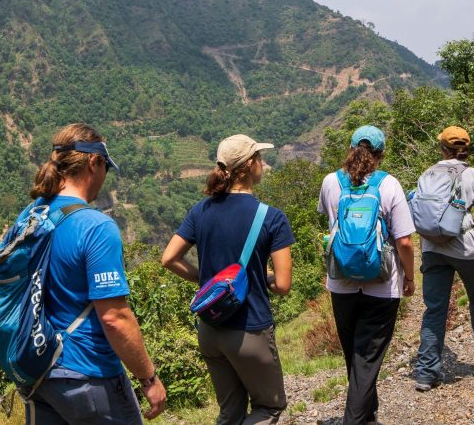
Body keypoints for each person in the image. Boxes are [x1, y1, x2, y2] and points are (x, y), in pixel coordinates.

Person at [24, 123, 167, 424]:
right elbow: (114, 318)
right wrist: (149, 379)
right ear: (93, 162)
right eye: (105, 167)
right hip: (88, 375)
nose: (104, 177)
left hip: (37, 374)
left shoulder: (30, 216)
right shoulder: (96, 227)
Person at [162, 134, 294, 425]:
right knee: (268, 408)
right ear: (248, 166)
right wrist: (263, 278)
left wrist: (208, 281)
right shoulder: (271, 217)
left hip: (210, 330)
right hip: (249, 330)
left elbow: (168, 258)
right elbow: (283, 285)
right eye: (259, 158)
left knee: (230, 413)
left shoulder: (200, 210)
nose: (263, 163)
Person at [318, 125, 416, 425]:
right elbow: (404, 242)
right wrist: (409, 277)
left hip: (341, 282)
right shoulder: (389, 185)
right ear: (381, 153)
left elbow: (329, 221)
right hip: (381, 284)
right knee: (368, 357)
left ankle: (367, 413)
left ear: (350, 149)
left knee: (355, 355)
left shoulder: (331, 182)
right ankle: (355, 419)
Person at [415, 126, 474, 392]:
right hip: (464, 248)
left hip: (431, 248)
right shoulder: (473, 174)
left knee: (435, 310)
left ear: (442, 148)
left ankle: (427, 373)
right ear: (467, 148)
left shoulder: (427, 173)